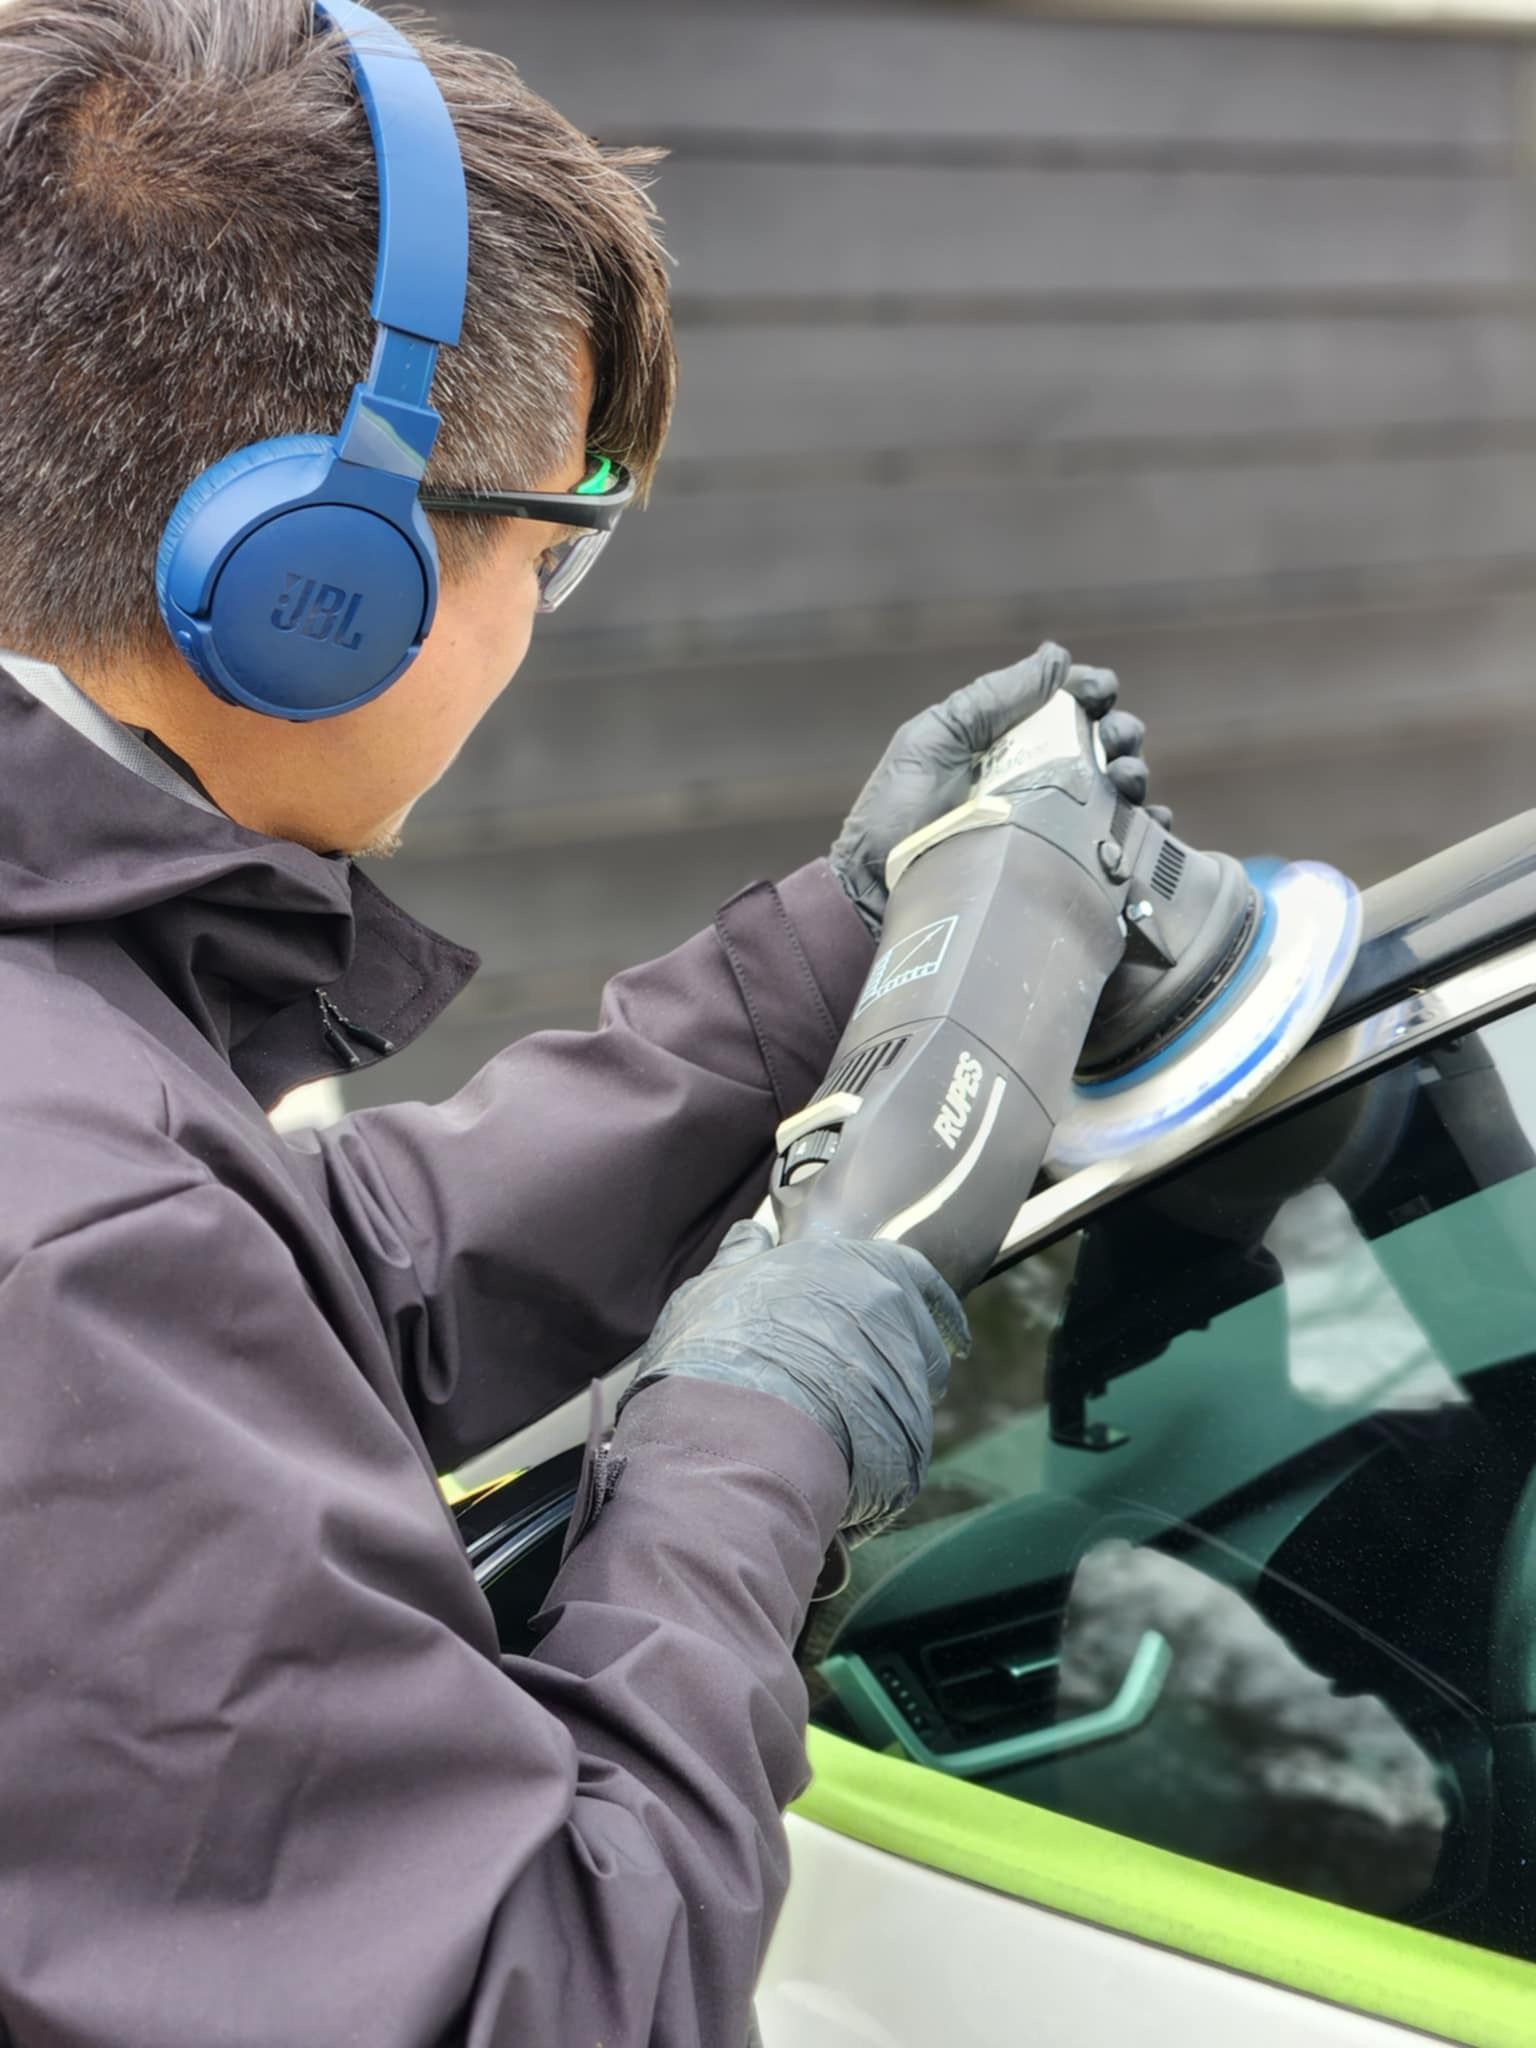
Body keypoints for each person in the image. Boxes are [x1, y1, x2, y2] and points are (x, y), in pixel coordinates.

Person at [0, 4, 1156, 2042]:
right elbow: (552, 1997)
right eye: (557, 537)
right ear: (317, 580)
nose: (542, 605)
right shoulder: (75, 1237)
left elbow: (261, 1293)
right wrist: (748, 1449)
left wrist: (812, 968)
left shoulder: (76, 1121)